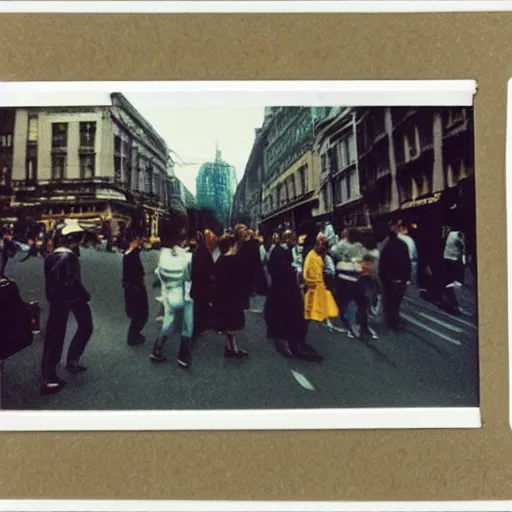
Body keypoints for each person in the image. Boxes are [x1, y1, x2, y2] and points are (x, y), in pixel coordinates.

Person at [41, 219, 93, 395]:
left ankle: (58, 368)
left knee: (54, 336)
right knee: (84, 327)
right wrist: (85, 295)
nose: (80, 242)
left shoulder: (51, 256)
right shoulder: (68, 257)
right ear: (72, 239)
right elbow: (71, 281)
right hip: (71, 298)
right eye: (78, 239)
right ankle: (51, 377)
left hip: (56, 300)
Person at [264, 228, 323, 362]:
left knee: (294, 316)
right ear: (287, 238)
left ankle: (294, 342)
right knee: (294, 316)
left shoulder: (283, 251)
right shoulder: (281, 252)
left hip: (285, 290)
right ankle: (294, 344)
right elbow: (281, 271)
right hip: (286, 290)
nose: (296, 241)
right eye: (293, 239)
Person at [150, 218, 193, 368]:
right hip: (182, 294)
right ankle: (183, 355)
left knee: (168, 322)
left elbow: (158, 274)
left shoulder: (163, 254)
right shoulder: (184, 257)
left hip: (167, 293)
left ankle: (157, 349)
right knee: (188, 325)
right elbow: (188, 277)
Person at [212, 233, 249, 357]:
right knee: (233, 325)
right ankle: (234, 349)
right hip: (233, 299)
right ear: (230, 246)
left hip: (223, 299)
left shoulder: (219, 262)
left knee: (228, 325)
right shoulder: (235, 262)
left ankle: (230, 347)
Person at [378, 224, 412, 331]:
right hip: (400, 277)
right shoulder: (403, 244)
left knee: (388, 301)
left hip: (389, 279)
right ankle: (394, 321)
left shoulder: (385, 246)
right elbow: (407, 262)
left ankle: (390, 321)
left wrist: (383, 279)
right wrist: (407, 278)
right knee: (397, 301)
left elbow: (382, 265)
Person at [303, 233, 339, 328]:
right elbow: (306, 274)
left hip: (320, 287)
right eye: (322, 247)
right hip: (313, 289)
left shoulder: (319, 257)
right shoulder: (311, 256)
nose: (324, 251)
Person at [122, 227, 148, 346]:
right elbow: (138, 274)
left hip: (129, 287)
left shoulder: (127, 254)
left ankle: (134, 335)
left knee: (136, 312)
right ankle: (133, 337)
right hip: (135, 287)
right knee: (141, 313)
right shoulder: (133, 256)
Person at [190, 229, 216, 339]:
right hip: (202, 284)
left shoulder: (198, 250)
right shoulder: (204, 250)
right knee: (201, 306)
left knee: (199, 305)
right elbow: (209, 268)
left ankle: (198, 326)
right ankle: (199, 327)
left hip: (197, 284)